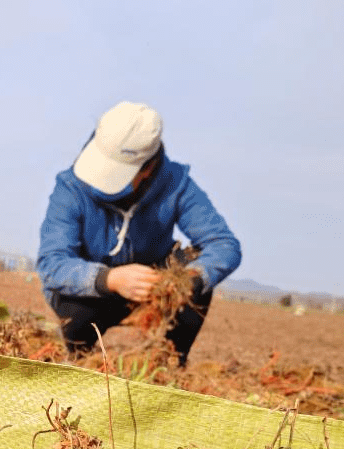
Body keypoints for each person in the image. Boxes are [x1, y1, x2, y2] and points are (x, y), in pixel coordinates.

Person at [37, 101, 241, 364]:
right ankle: (79, 358)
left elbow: (224, 245)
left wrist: (186, 281)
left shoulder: (176, 183)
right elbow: (52, 264)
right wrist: (109, 279)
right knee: (73, 301)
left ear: (147, 169)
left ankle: (169, 362)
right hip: (94, 294)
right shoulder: (70, 187)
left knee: (197, 273)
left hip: (148, 292)